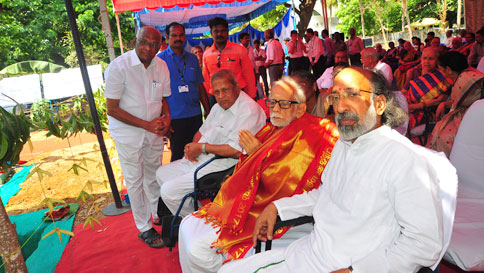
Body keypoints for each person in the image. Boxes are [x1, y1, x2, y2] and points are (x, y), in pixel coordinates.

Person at [219, 67, 455, 273]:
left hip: (349, 265)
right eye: (335, 96)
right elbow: (326, 194)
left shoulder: (405, 159)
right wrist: (277, 207)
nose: (340, 106)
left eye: (352, 94)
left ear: (380, 104)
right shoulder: (344, 144)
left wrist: (356, 271)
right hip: (309, 254)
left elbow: (423, 243)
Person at [178, 76, 339, 273]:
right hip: (246, 199)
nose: (276, 109)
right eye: (272, 102)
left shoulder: (311, 134)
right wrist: (251, 157)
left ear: (300, 108)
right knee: (186, 225)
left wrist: (256, 154)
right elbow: (246, 167)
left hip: (266, 208)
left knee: (197, 247)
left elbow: (285, 184)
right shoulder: (273, 128)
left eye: (284, 103)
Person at [156, 69, 266, 218]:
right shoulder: (217, 107)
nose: (221, 97)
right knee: (161, 173)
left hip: (223, 165)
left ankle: (200, 222)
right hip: (202, 158)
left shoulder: (249, 111)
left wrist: (201, 148)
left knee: (169, 191)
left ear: (237, 88)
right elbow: (200, 133)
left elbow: (236, 150)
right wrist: (190, 149)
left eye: (225, 90)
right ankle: (200, 214)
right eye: (217, 92)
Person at [104, 26, 171, 248]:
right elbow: (112, 109)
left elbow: (162, 99)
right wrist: (146, 125)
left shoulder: (161, 66)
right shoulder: (118, 67)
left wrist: (167, 118)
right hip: (128, 135)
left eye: (154, 44)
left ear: (160, 46)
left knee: (153, 174)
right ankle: (144, 227)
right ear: (135, 40)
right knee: (135, 180)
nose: (148, 48)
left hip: (153, 132)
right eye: (144, 42)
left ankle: (156, 212)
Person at [157, 23, 210, 162]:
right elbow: (157, 94)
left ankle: (195, 182)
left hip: (195, 115)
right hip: (174, 118)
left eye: (181, 35)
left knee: (197, 153)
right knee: (178, 156)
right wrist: (164, 120)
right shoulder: (159, 61)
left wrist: (207, 111)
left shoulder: (192, 59)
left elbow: (200, 86)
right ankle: (176, 183)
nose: (178, 38)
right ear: (167, 37)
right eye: (174, 35)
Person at [429, 51, 484, 157]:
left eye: (441, 69)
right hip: (472, 110)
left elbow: (459, 104)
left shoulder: (465, 79)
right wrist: (444, 104)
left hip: (474, 116)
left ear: (448, 70)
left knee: (444, 135)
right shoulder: (466, 73)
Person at [202, 17, 256, 105]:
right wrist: (207, 102)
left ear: (227, 32)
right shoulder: (206, 54)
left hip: (237, 95)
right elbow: (206, 79)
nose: (220, 33)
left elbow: (249, 75)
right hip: (215, 98)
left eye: (223, 31)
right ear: (211, 33)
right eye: (216, 31)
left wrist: (252, 97)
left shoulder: (240, 50)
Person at [405, 48, 452, 131]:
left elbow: (438, 100)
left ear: (437, 61)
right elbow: (404, 91)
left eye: (431, 59)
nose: (427, 62)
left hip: (429, 113)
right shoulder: (413, 72)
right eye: (424, 58)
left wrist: (414, 106)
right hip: (409, 107)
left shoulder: (443, 77)